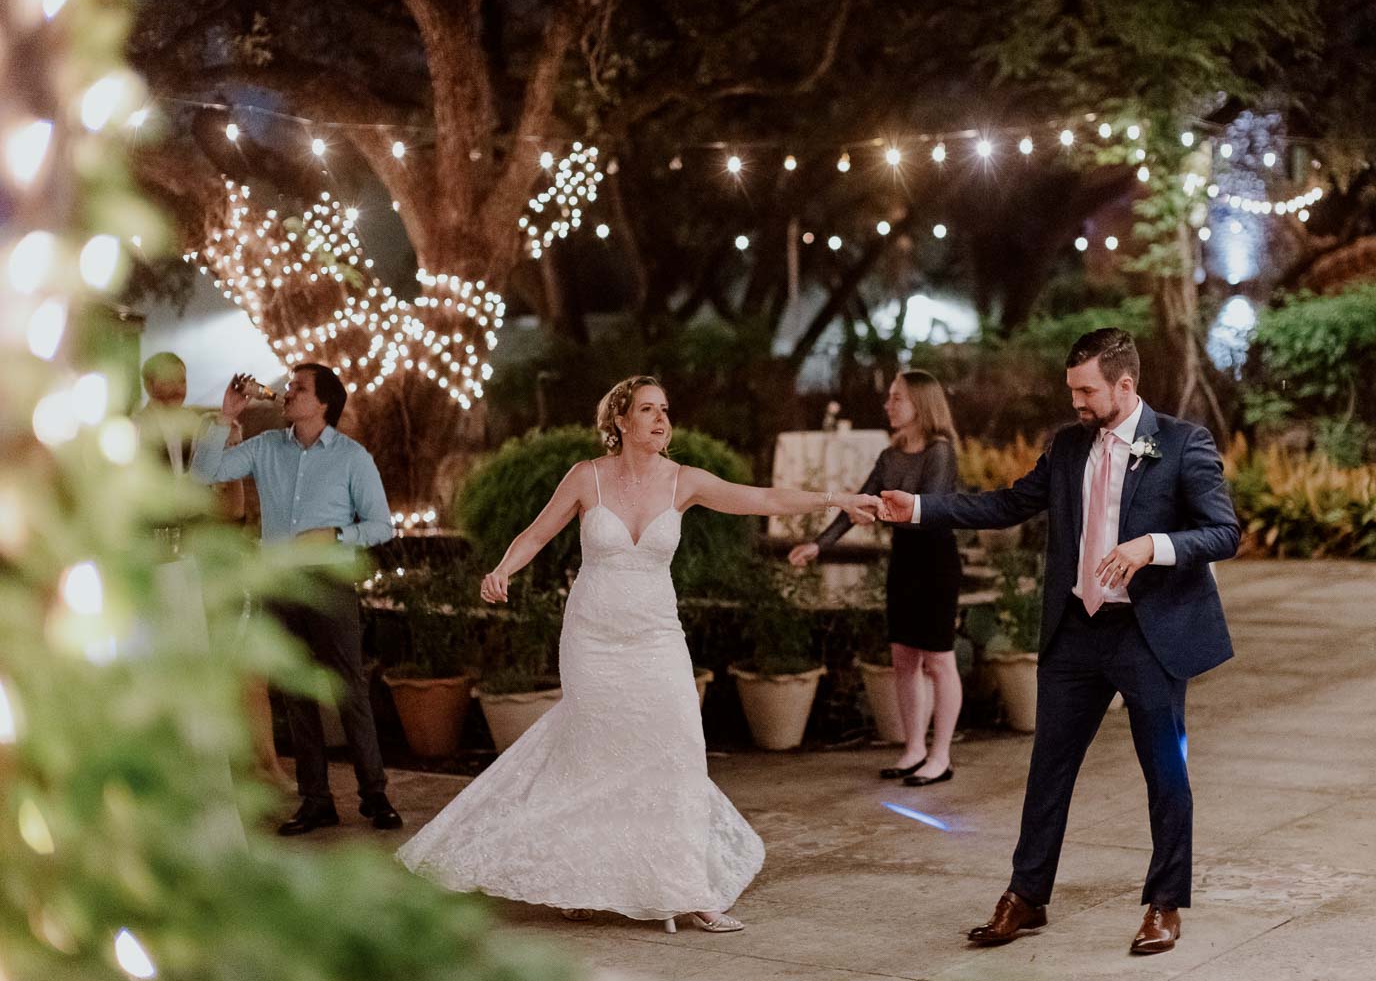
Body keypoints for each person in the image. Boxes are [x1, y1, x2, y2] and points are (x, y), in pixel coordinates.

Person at [397, 375, 881, 933]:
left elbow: (764, 500)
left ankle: (690, 891)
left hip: (656, 638)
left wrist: (837, 499)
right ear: (621, 421)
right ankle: (575, 879)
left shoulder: (684, 481)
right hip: (592, 639)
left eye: (665, 411)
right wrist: (503, 569)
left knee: (678, 747)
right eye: (648, 410)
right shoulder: (586, 478)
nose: (661, 421)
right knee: (591, 754)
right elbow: (535, 534)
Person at [880, 328, 1238, 956]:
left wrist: (1150, 548)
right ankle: (1026, 895)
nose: (1075, 401)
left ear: (1125, 385)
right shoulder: (1069, 447)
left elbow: (1223, 533)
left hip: (1146, 634)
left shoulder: (1183, 444)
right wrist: (915, 509)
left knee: (1164, 772)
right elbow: (1007, 504)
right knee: (1048, 769)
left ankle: (1164, 904)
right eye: (1071, 388)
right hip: (1076, 631)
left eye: (1086, 390)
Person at [191, 363, 400, 836]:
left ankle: (375, 795)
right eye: (288, 387)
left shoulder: (352, 457)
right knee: (298, 696)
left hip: (328, 583)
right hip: (278, 585)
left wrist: (336, 534)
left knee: (349, 689)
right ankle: (316, 800)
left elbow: (382, 525)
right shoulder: (265, 447)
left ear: (323, 402)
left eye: (298, 388)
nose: (287, 393)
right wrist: (225, 416)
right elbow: (204, 476)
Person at [788, 370, 963, 786]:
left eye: (896, 398)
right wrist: (820, 544)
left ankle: (941, 756)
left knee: (938, 659)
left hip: (936, 559)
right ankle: (914, 749)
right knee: (903, 657)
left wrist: (881, 513)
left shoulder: (940, 451)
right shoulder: (889, 457)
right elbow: (860, 503)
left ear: (920, 403)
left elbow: (926, 510)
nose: (888, 405)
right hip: (904, 560)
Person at [134, 353, 294, 795]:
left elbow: (227, 494)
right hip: (161, 565)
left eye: (185, 379)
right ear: (149, 382)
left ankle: (264, 765)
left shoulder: (203, 428)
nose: (181, 387)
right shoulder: (130, 435)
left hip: (209, 559)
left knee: (247, 668)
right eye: (172, 380)